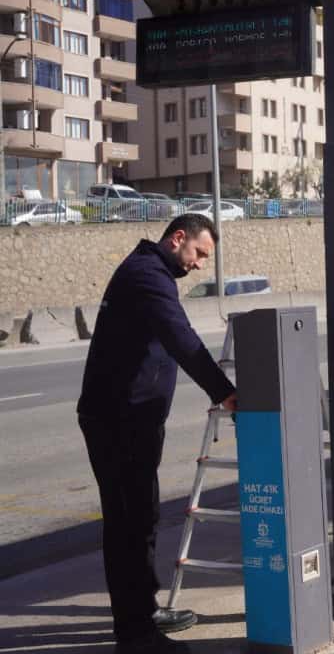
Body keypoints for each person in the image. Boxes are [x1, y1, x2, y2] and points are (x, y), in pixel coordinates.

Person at [78, 214, 238, 653]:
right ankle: (135, 635)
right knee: (128, 524)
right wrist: (225, 392)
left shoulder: (151, 271)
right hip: (117, 420)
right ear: (178, 238)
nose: (201, 265)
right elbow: (180, 337)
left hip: (134, 419)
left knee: (143, 518)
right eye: (199, 254)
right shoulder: (146, 275)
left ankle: (143, 611)